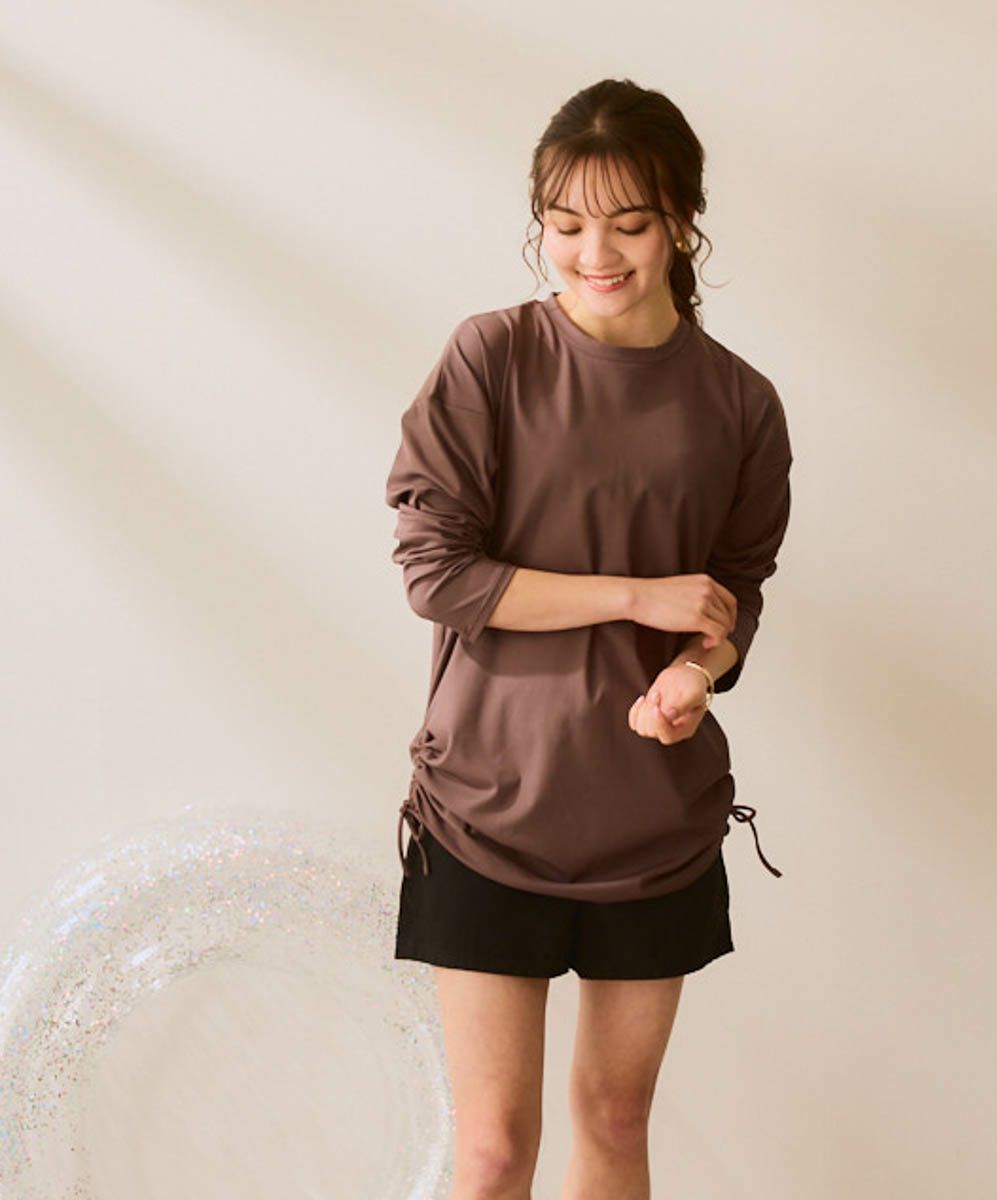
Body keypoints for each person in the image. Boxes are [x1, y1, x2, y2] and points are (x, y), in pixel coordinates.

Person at [385, 77, 793, 1200]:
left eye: (628, 224)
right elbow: (437, 574)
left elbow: (736, 596)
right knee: (491, 1151)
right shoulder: (491, 359)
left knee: (615, 1119)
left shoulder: (741, 405)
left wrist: (695, 673)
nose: (593, 254)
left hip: (653, 822)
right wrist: (633, 597)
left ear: (681, 223)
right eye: (565, 226)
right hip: (486, 807)